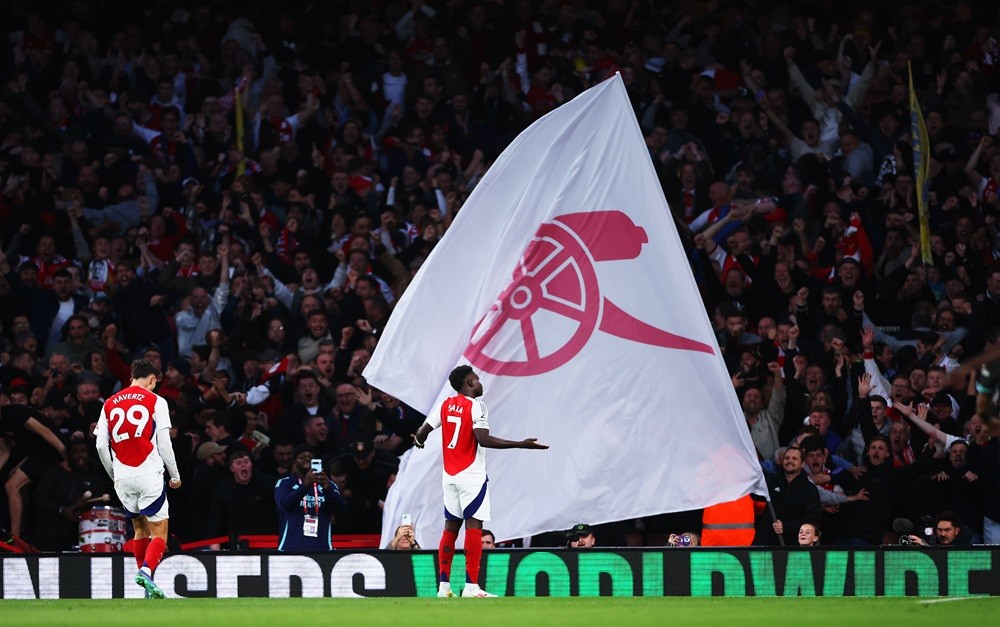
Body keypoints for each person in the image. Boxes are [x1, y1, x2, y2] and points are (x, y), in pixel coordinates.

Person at [412, 365, 548, 598]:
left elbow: (422, 431)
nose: (480, 382)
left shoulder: (445, 405)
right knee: (474, 529)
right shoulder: (477, 406)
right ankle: (471, 587)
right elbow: (482, 439)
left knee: (450, 529)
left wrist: (420, 441)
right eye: (476, 379)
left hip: (450, 476)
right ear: (469, 383)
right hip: (471, 476)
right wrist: (520, 444)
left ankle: (444, 587)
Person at [94, 359, 182, 599]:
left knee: (139, 531)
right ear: (152, 380)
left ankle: (147, 586)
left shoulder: (110, 403)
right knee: (159, 533)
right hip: (148, 473)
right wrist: (174, 475)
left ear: (132, 377)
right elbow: (164, 443)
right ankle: (146, 570)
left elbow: (101, 445)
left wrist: (113, 473)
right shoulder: (156, 401)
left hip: (122, 476)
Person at [0, 403, 67, 541]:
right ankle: (23, 527)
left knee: (11, 486)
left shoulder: (14, 412)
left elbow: (45, 431)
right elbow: (4, 452)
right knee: (12, 475)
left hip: (50, 448)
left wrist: (67, 456)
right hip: (35, 452)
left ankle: (15, 538)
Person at [274, 444, 345, 551]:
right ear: (294, 461)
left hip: (322, 549)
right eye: (302, 457)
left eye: (310, 457)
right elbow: (284, 505)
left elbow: (339, 507)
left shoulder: (327, 484)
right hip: (289, 549)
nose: (306, 460)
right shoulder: (285, 483)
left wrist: (328, 489)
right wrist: (305, 485)